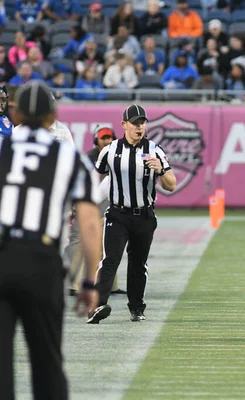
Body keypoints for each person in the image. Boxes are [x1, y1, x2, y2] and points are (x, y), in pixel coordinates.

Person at [0, 80, 101, 400]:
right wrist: (89, 282)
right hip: (41, 262)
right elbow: (89, 224)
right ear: (52, 115)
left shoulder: (3, 149)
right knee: (47, 364)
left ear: (15, 113)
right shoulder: (70, 158)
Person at [88, 104, 177, 324]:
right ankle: (97, 305)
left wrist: (159, 170)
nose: (139, 128)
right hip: (117, 214)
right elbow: (95, 176)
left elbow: (171, 184)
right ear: (124, 125)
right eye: (135, 123)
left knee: (138, 263)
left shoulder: (155, 150)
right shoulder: (110, 150)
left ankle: (136, 308)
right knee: (110, 259)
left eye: (143, 123)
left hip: (144, 215)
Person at [66, 125, 124, 296]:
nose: (106, 141)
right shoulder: (90, 158)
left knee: (107, 242)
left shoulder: (115, 154)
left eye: (109, 137)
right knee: (80, 239)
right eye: (103, 138)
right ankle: (72, 283)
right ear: (96, 140)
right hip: (89, 200)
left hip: (107, 199)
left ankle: (110, 284)